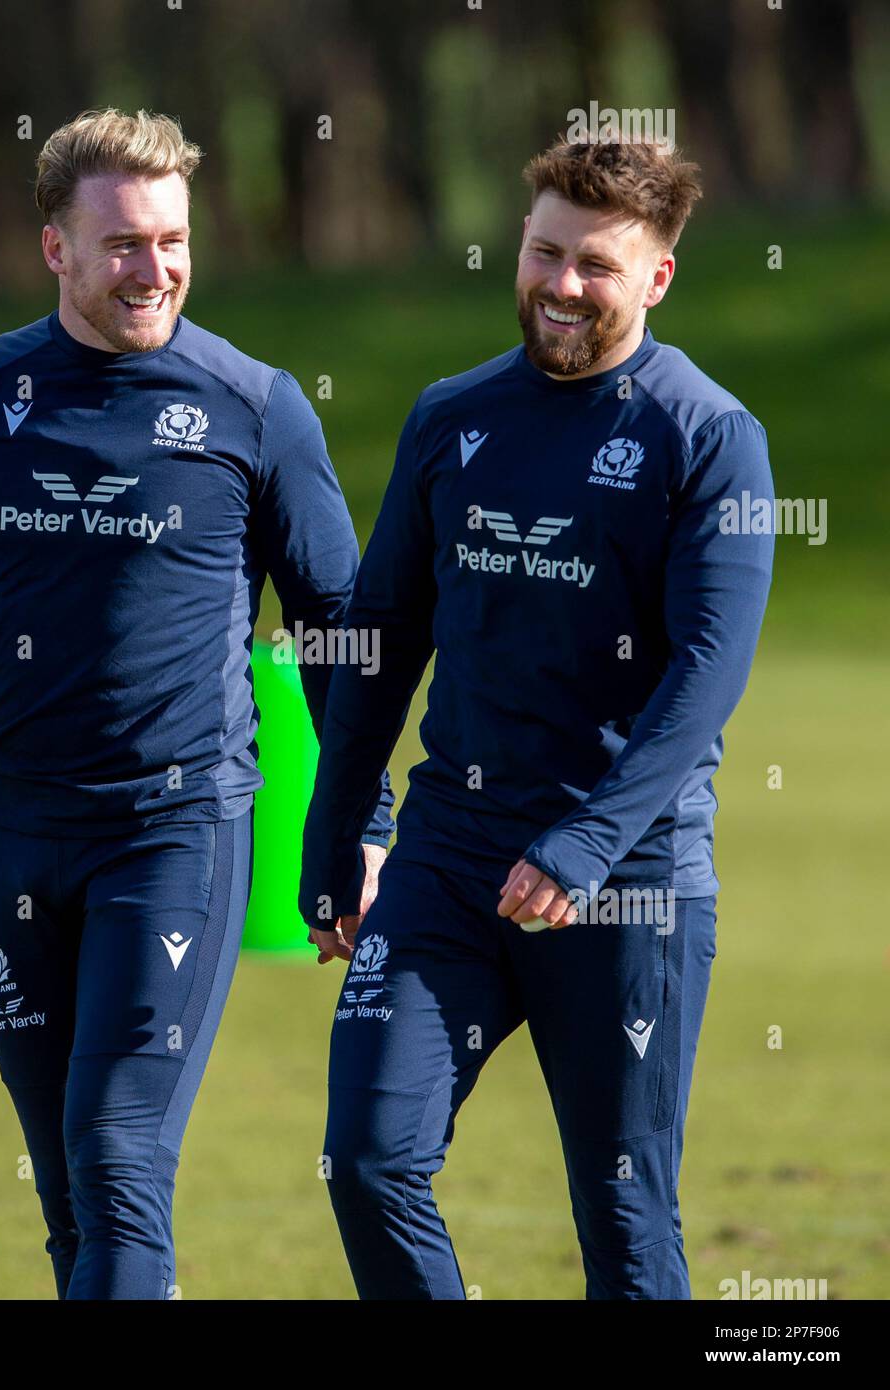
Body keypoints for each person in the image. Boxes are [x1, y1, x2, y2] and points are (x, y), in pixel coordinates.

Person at [0, 106, 390, 1300]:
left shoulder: (255, 405)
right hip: (8, 828)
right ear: (54, 250)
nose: (155, 268)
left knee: (120, 1151)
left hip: (176, 828)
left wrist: (365, 820)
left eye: (173, 240)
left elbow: (338, 622)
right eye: (123, 242)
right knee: (70, 1191)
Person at [299, 137, 774, 1299]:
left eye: (596, 266)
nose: (561, 285)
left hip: (627, 880)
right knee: (366, 1160)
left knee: (622, 1215)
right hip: (448, 861)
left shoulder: (708, 438)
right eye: (544, 252)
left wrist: (587, 842)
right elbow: (381, 635)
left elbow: (709, 669)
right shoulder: (452, 416)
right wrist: (336, 825)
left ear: (657, 277)